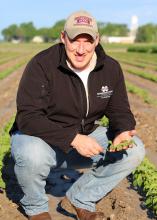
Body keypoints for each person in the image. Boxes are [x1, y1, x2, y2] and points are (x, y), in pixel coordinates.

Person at [10, 10, 145, 220]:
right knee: (31, 154)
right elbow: (28, 117)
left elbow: (119, 109)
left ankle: (80, 199)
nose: (81, 49)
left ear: (97, 40)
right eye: (75, 40)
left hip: (85, 140)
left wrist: (123, 131)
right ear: (63, 37)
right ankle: (36, 208)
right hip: (44, 141)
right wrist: (72, 138)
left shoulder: (110, 68)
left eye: (88, 41)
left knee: (134, 150)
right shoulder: (42, 64)